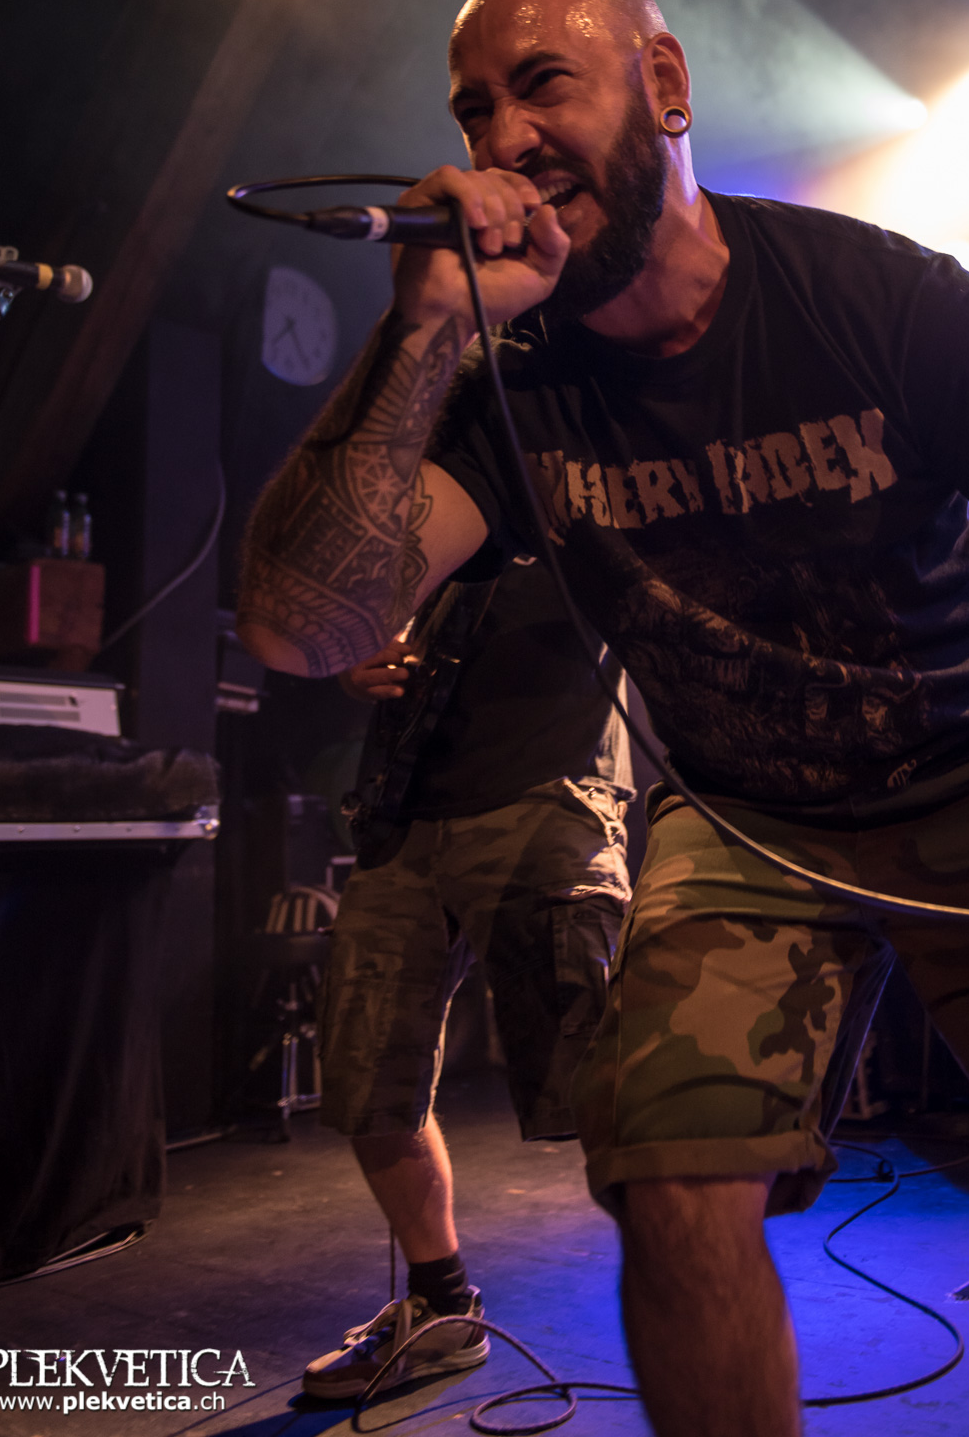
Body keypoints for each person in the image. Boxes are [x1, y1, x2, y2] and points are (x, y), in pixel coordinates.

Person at [238, 0, 969, 1437]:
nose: (502, 138)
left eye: (541, 85)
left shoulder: (867, 294)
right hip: (746, 816)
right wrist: (425, 326)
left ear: (664, 88)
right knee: (667, 1171)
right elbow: (299, 625)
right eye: (472, 109)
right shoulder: (507, 374)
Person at [302, 554, 633, 1401]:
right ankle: (443, 1311)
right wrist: (352, 658)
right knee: (369, 1080)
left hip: (547, 788)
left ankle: (700, 1296)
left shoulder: (568, 481)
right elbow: (358, 623)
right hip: (403, 813)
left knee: (602, 1086)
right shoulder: (416, 508)